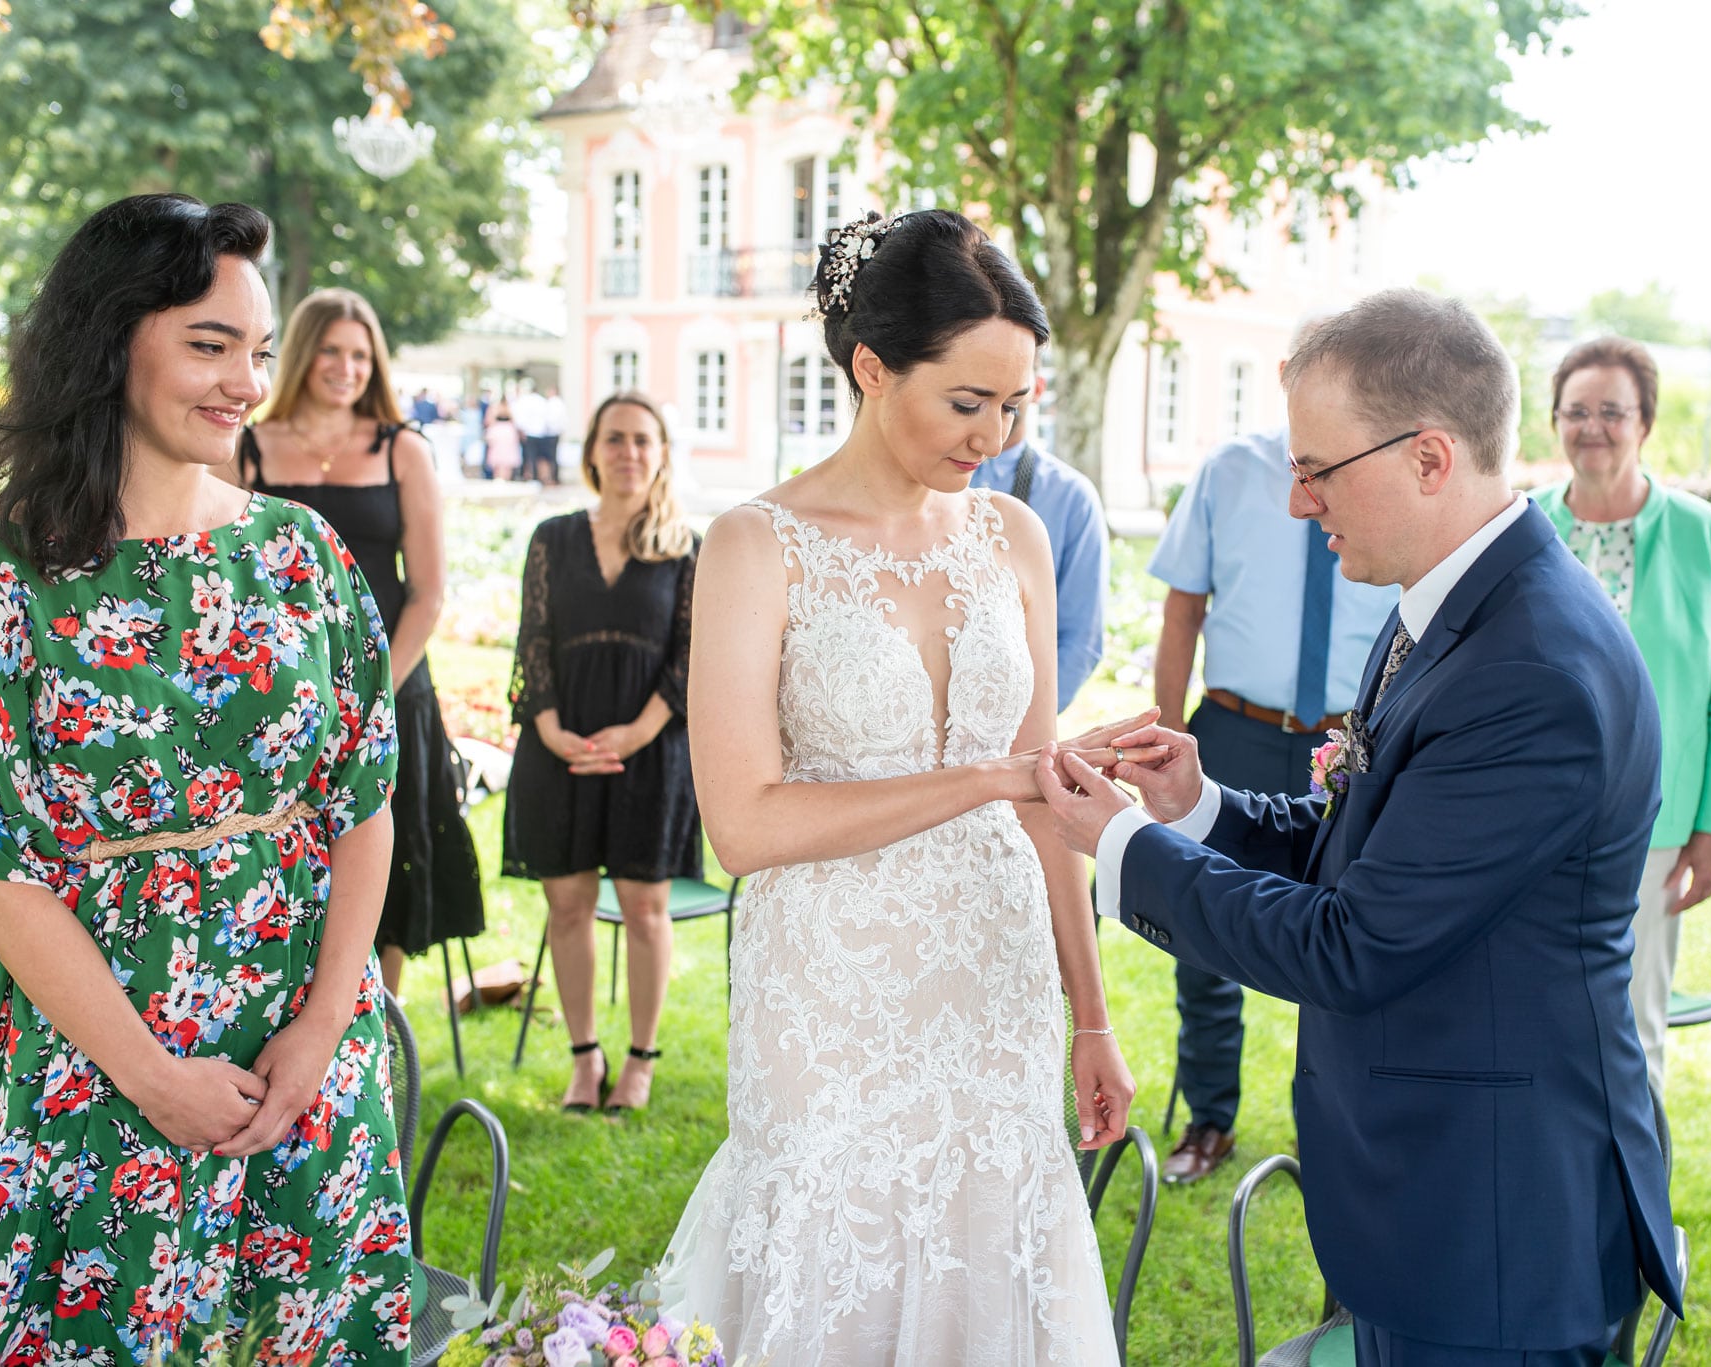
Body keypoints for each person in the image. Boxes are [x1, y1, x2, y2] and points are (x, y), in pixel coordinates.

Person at [1038, 289, 1681, 1367]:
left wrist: (1117, 848)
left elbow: (1353, 940)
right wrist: (1196, 806)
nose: (1296, 502)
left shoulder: (1533, 670)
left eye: (1317, 469)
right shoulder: (1442, 599)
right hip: (1424, 1191)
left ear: (1429, 457)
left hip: (1493, 1219)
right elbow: (1364, 841)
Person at [658, 209, 1142, 1365]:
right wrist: (990, 773)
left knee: (991, 1257)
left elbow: (1042, 807)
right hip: (828, 988)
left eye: (1016, 403)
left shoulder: (1014, 535)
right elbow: (743, 824)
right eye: (967, 401)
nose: (995, 432)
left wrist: (1090, 1016)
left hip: (995, 979)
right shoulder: (752, 544)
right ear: (871, 369)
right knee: (836, 1265)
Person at [0, 193, 409, 1361]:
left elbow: (362, 803)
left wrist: (321, 1027)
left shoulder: (302, 553)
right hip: (95, 1058)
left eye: (257, 351)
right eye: (209, 344)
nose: (245, 381)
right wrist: (152, 1074)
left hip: (298, 1061)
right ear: (109, 340)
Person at [1145, 398, 1397, 1184]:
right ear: (1289, 375)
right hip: (1235, 730)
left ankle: (1342, 1134)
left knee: (1355, 936)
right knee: (1204, 927)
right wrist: (1162, 727)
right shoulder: (1230, 468)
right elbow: (1183, 606)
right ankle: (1210, 1117)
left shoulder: (1383, 470)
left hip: (1352, 738)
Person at [238, 286, 486, 1001]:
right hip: (279, 693)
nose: (346, 366)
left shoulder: (402, 448)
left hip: (391, 690)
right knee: (288, 854)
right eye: (330, 350)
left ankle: (379, 1027)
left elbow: (429, 589)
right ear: (301, 354)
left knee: (388, 853)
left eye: (359, 354)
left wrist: (374, 694)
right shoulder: (248, 445)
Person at [1532, 336, 1711, 1095]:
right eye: (1576, 411)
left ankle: (1634, 1211)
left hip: (1652, 833)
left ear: (1646, 422)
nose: (1592, 426)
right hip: (1526, 821)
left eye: (1612, 411)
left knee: (1631, 1036)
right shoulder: (1519, 525)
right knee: (1530, 1026)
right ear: (1555, 421)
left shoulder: (1705, 535)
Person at [503, 392, 702, 1113]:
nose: (628, 453)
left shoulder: (686, 548)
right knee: (568, 906)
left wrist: (638, 732)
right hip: (561, 745)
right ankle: (584, 1058)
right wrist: (551, 729)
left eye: (643, 440)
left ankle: (641, 1060)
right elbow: (534, 639)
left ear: (661, 454)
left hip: (649, 751)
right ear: (591, 450)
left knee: (646, 908)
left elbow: (690, 657)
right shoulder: (552, 538)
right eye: (614, 439)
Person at [968, 375, 1108, 711]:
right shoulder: (919, 481)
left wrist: (1018, 731)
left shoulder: (1073, 498)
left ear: (1037, 389)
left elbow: (1080, 640)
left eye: (1011, 400)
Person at [485, 396, 522, 481]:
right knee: (505, 459)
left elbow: (489, 421)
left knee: (500, 459)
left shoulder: (495, 408)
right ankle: (505, 479)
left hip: (499, 432)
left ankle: (499, 479)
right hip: (508, 432)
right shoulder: (510, 408)